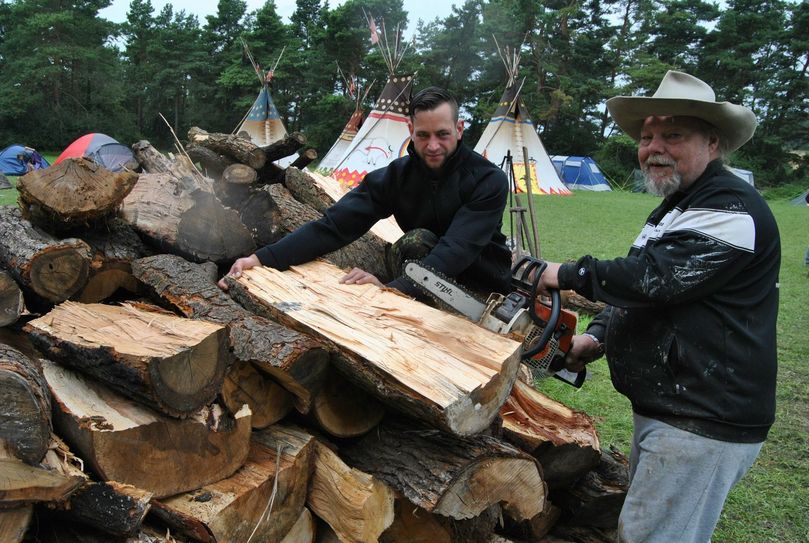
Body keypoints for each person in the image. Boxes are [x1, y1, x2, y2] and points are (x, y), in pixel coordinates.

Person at [535, 71, 780, 542]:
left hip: (705, 416)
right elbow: (638, 283)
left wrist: (561, 273)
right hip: (674, 406)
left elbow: (654, 280)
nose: (654, 147)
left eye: (673, 134)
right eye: (647, 137)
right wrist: (597, 337)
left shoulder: (732, 209)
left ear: (712, 142)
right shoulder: (675, 207)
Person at [219, 86, 512, 297]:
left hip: (481, 283)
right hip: (422, 276)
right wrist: (261, 258)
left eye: (442, 134)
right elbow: (333, 227)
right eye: (423, 135)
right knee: (414, 243)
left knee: (419, 242)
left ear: (459, 129)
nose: (433, 145)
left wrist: (390, 291)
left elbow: (456, 250)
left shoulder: (488, 180)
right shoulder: (395, 177)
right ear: (410, 130)